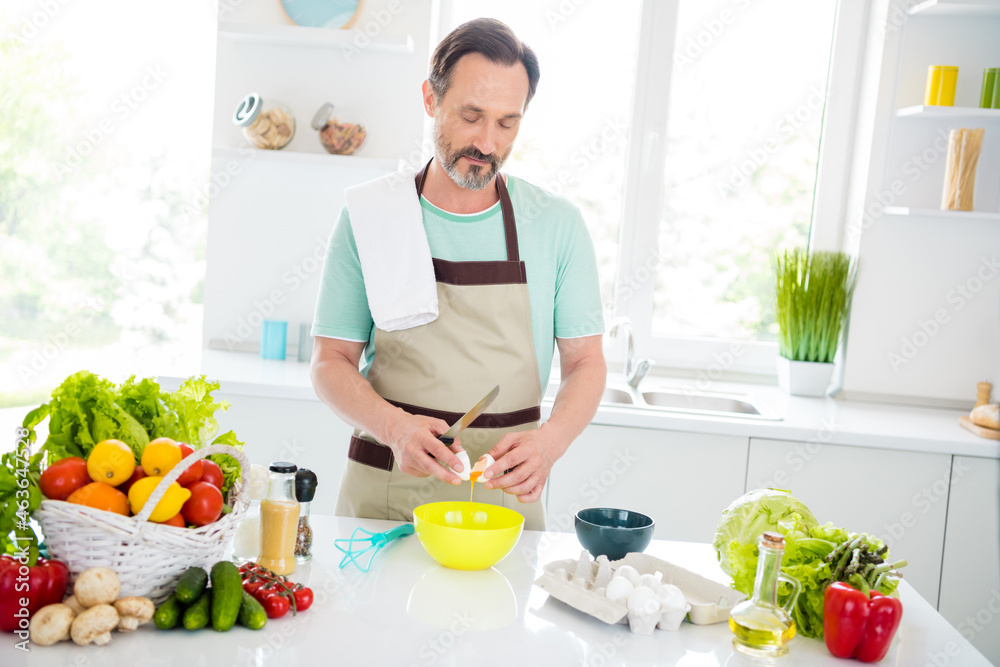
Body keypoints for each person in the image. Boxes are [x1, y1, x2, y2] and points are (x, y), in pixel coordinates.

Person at [310, 18, 606, 531]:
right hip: (383, 496)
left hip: (503, 502)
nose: (487, 142)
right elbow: (329, 363)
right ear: (430, 98)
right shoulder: (373, 215)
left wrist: (549, 443)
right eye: (471, 116)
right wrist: (395, 429)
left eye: (507, 123)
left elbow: (587, 363)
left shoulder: (556, 225)